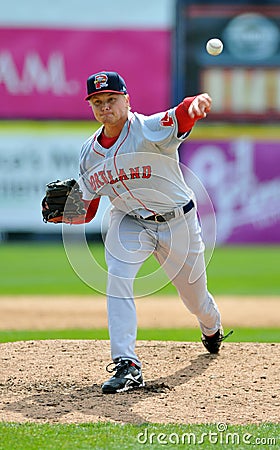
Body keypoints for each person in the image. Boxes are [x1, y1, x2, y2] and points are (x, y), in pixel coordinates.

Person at [75, 71, 230, 394]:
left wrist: (195, 104)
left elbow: (180, 115)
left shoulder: (147, 129)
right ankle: (126, 364)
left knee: (196, 300)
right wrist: (66, 213)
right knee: (117, 276)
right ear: (92, 106)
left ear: (127, 100)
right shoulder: (89, 153)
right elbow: (87, 209)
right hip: (129, 221)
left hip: (178, 223)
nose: (105, 107)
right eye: (98, 102)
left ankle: (211, 327)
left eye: (112, 100)